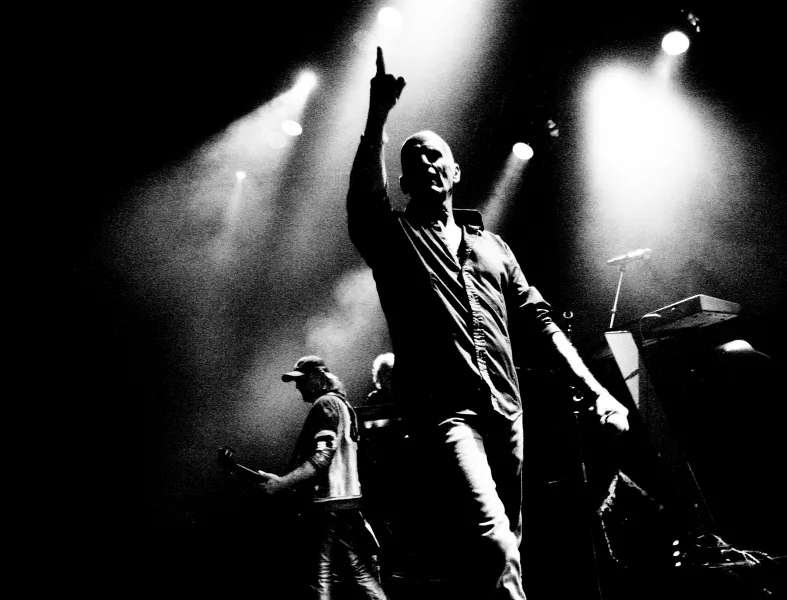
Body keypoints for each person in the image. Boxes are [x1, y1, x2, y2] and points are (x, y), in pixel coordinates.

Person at [346, 47, 630, 599]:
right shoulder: (397, 239)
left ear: (455, 172)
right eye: (413, 159)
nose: (425, 162)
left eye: (435, 155)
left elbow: (540, 321)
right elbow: (363, 201)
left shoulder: (494, 248)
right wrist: (378, 116)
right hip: (446, 415)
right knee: (496, 543)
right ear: (404, 180)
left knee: (500, 553)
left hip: (507, 410)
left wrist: (596, 391)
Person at [258, 355, 387, 600]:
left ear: (319, 377)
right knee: (358, 571)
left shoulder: (325, 404)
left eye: (302, 380)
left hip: (328, 503)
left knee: (320, 574)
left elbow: (322, 457)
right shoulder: (342, 404)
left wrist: (282, 483)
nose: (298, 386)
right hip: (347, 501)